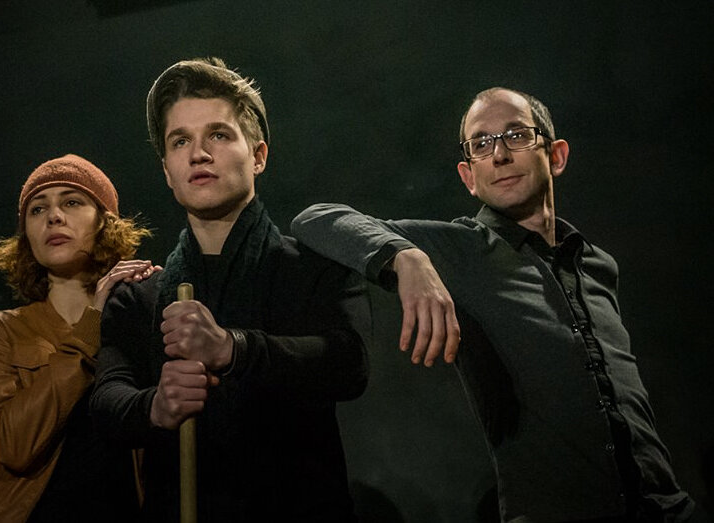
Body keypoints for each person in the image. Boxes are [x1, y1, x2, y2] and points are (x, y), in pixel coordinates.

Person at [290, 87, 697, 522]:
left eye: (516, 135)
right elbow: (316, 219)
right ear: (469, 177)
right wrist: (407, 257)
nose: (499, 154)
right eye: (481, 144)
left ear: (556, 155)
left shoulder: (598, 265)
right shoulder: (460, 249)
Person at [89, 58, 371, 523]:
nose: (199, 153)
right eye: (180, 141)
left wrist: (232, 348)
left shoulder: (315, 266)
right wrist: (154, 405)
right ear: (167, 170)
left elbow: (348, 365)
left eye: (218, 135)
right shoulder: (139, 294)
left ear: (258, 155)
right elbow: (105, 402)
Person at [0, 154, 159, 522]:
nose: (53, 216)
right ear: (26, 236)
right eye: (37, 209)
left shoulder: (136, 323)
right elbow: (11, 445)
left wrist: (151, 304)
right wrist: (90, 326)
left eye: (71, 202)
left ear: (106, 223)